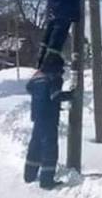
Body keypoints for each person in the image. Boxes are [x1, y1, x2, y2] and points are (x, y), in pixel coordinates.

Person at [24, 55, 73, 190]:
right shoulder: (54, 78)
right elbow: (55, 96)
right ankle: (46, 180)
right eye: (61, 67)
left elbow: (29, 88)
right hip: (49, 117)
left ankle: (29, 175)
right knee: (49, 149)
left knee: (36, 146)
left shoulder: (37, 77)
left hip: (37, 116)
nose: (62, 70)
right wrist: (72, 95)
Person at [37, 0, 82, 70]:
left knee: (50, 30)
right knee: (58, 35)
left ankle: (41, 58)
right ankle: (49, 61)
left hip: (53, 8)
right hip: (65, 10)